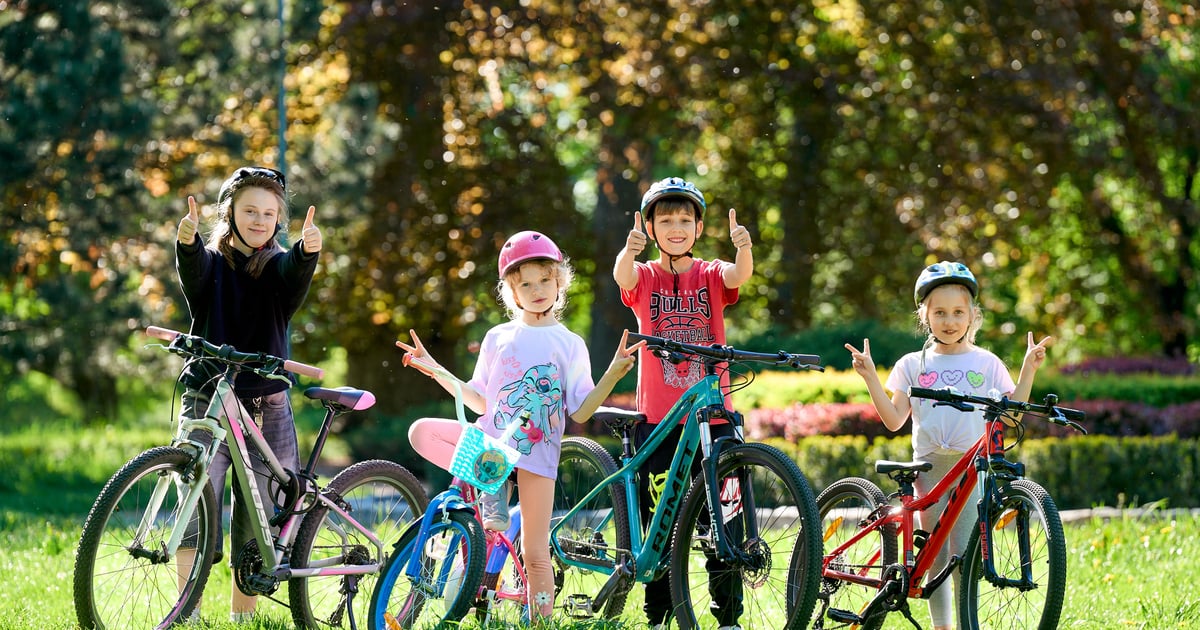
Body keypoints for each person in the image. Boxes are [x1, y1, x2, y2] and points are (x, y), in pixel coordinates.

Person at [396, 230, 642, 623]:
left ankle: (539, 621)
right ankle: (489, 485)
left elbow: (580, 411)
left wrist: (612, 375)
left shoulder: (570, 343)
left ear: (560, 280)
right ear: (511, 291)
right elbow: (479, 399)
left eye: (545, 279)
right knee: (421, 431)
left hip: (538, 456)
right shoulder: (498, 337)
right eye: (525, 284)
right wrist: (435, 369)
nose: (537, 289)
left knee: (535, 552)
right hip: (493, 444)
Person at [844, 261, 1051, 630]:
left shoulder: (987, 363)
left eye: (958, 312)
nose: (950, 320)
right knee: (934, 556)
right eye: (939, 312)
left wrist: (1028, 371)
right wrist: (871, 376)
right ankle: (942, 626)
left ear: (973, 314)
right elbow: (894, 419)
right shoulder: (912, 363)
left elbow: (1010, 417)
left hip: (970, 469)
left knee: (964, 556)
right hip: (929, 467)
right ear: (924, 315)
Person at [174, 165, 323, 623]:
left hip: (267, 404)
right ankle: (187, 613)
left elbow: (291, 277)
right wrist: (188, 244)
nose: (260, 220)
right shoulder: (212, 263)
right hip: (208, 395)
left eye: (269, 213)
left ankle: (245, 617)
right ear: (229, 213)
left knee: (260, 517)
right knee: (196, 503)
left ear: (279, 220)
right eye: (250, 211)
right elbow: (195, 275)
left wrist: (304, 253)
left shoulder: (278, 266)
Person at [612, 176, 753, 630]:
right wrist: (629, 252)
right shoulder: (647, 276)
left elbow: (738, 276)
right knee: (664, 525)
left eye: (685, 219)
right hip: (660, 422)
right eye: (666, 219)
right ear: (650, 227)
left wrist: (743, 248)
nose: (676, 227)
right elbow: (624, 277)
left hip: (714, 418)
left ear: (698, 227)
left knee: (727, 524)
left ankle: (728, 617)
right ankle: (659, 618)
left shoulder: (710, 273)